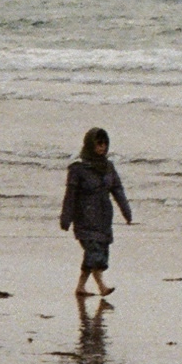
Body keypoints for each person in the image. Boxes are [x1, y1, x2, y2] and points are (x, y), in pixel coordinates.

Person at [60, 126, 132, 297]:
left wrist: (126, 212)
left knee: (100, 252)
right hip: (84, 217)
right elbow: (70, 195)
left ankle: (80, 287)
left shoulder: (108, 167)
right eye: (99, 143)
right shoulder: (77, 169)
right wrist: (66, 218)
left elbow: (118, 190)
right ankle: (102, 286)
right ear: (90, 144)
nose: (102, 147)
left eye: (105, 143)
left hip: (103, 218)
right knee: (94, 252)